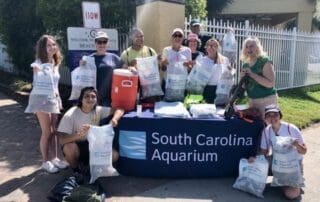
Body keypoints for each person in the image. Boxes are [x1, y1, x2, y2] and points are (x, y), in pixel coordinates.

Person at [25, 35, 68, 173]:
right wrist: (39, 69)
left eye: (54, 44)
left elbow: (55, 84)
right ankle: (45, 161)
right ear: (43, 48)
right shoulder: (38, 63)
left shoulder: (56, 62)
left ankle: (54, 158)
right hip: (40, 100)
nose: (52, 47)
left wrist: (59, 99)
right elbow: (37, 80)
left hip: (53, 99)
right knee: (46, 132)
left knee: (54, 131)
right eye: (48, 45)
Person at [57, 87, 124, 173]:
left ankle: (90, 167)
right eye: (87, 96)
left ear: (96, 99)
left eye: (93, 96)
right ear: (81, 99)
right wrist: (78, 135)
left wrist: (114, 119)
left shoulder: (98, 110)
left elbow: (120, 109)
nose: (90, 99)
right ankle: (76, 170)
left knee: (114, 156)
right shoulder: (71, 114)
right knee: (69, 148)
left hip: (93, 145)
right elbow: (62, 140)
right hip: (77, 146)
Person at [250, 105, 307, 200]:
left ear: (280, 116)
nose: (272, 118)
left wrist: (296, 144)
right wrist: (254, 160)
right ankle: (280, 179)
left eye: (275, 115)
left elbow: (304, 151)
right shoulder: (266, 131)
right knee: (255, 166)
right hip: (276, 161)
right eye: (269, 115)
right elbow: (264, 152)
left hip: (293, 165)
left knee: (291, 194)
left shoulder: (291, 128)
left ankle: (284, 183)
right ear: (266, 118)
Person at [81, 31, 124, 107]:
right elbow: (82, 76)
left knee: (107, 118)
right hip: (93, 98)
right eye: (99, 42)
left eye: (104, 42)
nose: (102, 44)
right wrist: (81, 66)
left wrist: (131, 68)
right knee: (94, 118)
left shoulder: (114, 57)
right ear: (95, 43)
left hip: (110, 98)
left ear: (107, 43)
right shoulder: (88, 59)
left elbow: (125, 68)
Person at [240, 36, 277, 117]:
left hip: (266, 100)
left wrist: (252, 74)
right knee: (254, 128)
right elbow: (244, 87)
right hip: (252, 101)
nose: (249, 49)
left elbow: (271, 83)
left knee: (267, 127)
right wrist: (241, 78)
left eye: (251, 46)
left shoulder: (264, 61)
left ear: (257, 47)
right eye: (247, 46)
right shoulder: (245, 64)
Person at [202, 38, 231, 103]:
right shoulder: (202, 60)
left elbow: (228, 74)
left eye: (214, 46)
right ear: (206, 48)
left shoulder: (225, 59)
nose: (211, 47)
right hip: (207, 89)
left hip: (220, 89)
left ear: (217, 47)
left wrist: (230, 70)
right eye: (209, 45)